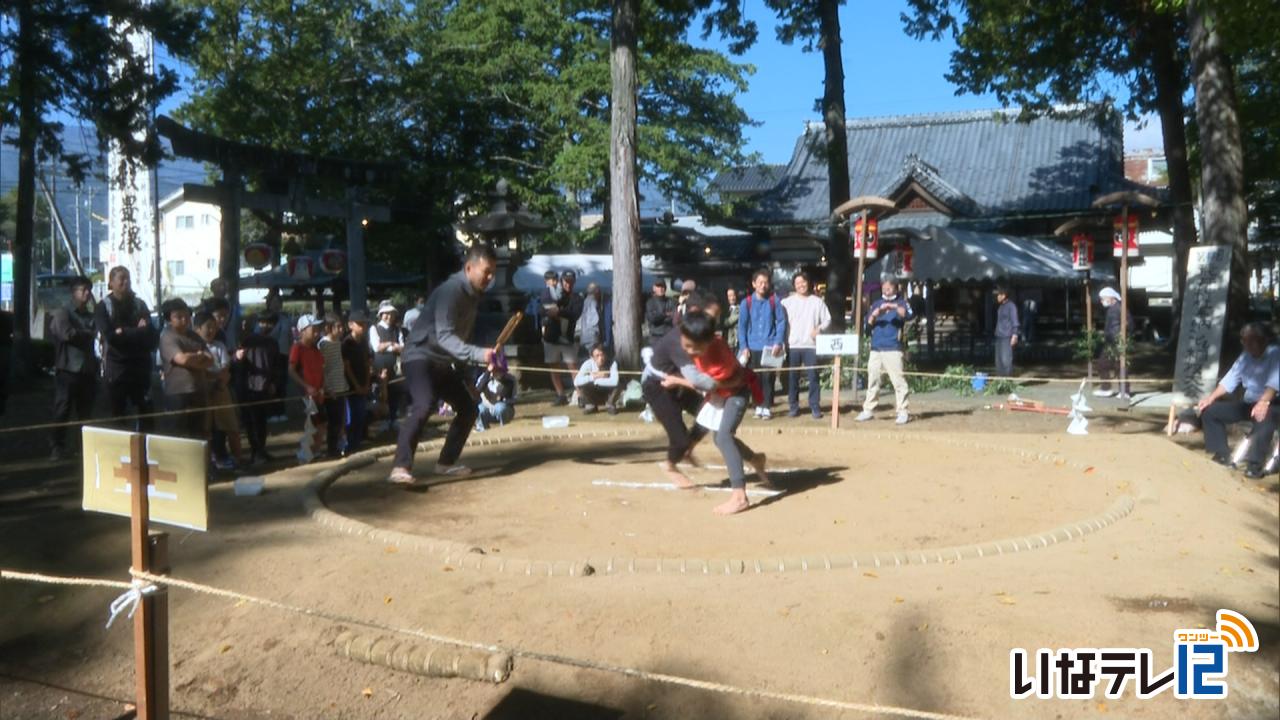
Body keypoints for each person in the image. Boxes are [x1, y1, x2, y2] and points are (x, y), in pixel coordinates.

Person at [388, 243, 498, 484]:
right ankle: (400, 466)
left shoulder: (472, 298)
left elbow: (460, 341)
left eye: (493, 273)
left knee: (469, 408)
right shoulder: (452, 290)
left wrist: (467, 379)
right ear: (470, 268)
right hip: (418, 355)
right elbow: (446, 335)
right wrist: (481, 355)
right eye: (486, 272)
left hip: (442, 362)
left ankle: (446, 462)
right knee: (424, 403)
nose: (490, 278)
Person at [664, 310, 768, 515]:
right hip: (721, 391)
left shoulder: (719, 357)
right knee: (713, 432)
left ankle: (740, 497)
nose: (689, 351)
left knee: (723, 436)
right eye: (686, 345)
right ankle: (755, 459)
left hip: (735, 392)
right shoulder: (692, 340)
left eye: (695, 348)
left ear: (708, 341)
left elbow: (707, 384)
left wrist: (675, 380)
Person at [641, 289, 721, 487]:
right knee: (680, 439)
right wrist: (719, 381)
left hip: (676, 383)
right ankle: (669, 464)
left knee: (708, 415)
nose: (713, 323)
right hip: (657, 387)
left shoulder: (699, 335)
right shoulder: (682, 341)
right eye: (710, 317)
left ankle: (686, 452)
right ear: (694, 312)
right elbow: (697, 380)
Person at [1195, 323, 1279, 480]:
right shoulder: (1245, 356)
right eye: (1244, 341)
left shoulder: (1275, 354)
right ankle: (1222, 455)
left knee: (1263, 419)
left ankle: (1254, 465)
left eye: (1251, 341)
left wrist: (1264, 402)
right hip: (1250, 403)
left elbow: (1274, 383)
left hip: (1273, 403)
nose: (1247, 345)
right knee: (1211, 411)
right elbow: (1230, 380)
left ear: (1263, 340)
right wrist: (1211, 398)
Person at [94, 266, 158, 432]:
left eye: (128, 278)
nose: (125, 282)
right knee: (118, 410)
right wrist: (136, 331)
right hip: (117, 367)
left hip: (140, 366)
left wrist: (124, 331)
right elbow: (111, 337)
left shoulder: (139, 304)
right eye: (121, 278)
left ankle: (145, 446)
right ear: (111, 282)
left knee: (145, 407)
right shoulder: (103, 307)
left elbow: (150, 334)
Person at [48, 276, 99, 459]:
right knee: (62, 409)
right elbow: (66, 334)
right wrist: (87, 334)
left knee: (85, 412)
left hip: (87, 369)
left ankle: (83, 447)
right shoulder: (63, 312)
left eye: (88, 290)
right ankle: (57, 445)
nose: (86, 293)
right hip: (67, 368)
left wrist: (85, 334)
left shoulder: (90, 315)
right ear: (73, 292)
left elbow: (94, 333)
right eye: (82, 290)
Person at [856, 279, 914, 425]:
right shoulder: (876, 303)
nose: (886, 290)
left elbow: (908, 315)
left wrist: (892, 306)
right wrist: (874, 315)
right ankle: (868, 409)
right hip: (876, 348)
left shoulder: (901, 302)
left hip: (893, 347)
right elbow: (868, 328)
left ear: (895, 288)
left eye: (889, 288)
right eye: (884, 288)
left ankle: (903, 411)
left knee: (898, 380)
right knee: (873, 379)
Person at [158, 299, 213, 440]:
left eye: (187, 316)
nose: (184, 320)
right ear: (169, 319)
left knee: (199, 432)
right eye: (179, 317)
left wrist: (192, 359)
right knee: (178, 434)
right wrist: (198, 356)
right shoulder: (167, 337)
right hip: (177, 393)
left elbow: (210, 359)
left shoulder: (194, 336)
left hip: (199, 389)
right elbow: (182, 359)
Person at [194, 310, 244, 467]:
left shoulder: (219, 345)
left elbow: (225, 368)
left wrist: (218, 379)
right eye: (208, 327)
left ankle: (238, 460)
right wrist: (213, 376)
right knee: (206, 431)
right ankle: (207, 465)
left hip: (222, 391)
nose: (211, 330)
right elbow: (200, 371)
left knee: (232, 428)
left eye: (214, 327)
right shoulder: (193, 348)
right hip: (203, 394)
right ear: (197, 329)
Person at [780, 271, 831, 419]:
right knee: (792, 377)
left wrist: (819, 329)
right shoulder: (787, 302)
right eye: (797, 283)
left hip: (811, 345)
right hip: (793, 345)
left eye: (803, 282)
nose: (801, 285)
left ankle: (815, 406)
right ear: (794, 286)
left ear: (808, 283)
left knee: (813, 377)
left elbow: (827, 320)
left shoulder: (817, 301)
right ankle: (793, 407)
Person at [738, 268, 787, 419]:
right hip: (752, 346)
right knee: (754, 378)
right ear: (754, 284)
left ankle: (767, 406)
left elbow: (781, 322)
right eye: (760, 282)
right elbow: (742, 326)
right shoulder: (746, 302)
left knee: (768, 377)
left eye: (766, 283)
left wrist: (778, 342)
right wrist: (744, 347)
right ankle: (757, 405)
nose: (763, 285)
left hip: (770, 345)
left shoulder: (774, 300)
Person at [241, 312, 281, 464]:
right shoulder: (248, 341)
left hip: (263, 386)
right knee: (253, 422)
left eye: (270, 323)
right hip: (251, 386)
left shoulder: (271, 342)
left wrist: (273, 383)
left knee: (261, 421)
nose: (267, 326)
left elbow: (276, 366)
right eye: (264, 322)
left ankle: (261, 450)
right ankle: (255, 451)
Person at [540, 270, 583, 406]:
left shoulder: (577, 298)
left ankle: (581, 395)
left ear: (574, 282)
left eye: (570, 282)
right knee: (554, 367)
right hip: (551, 337)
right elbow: (541, 309)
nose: (568, 284)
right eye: (565, 281)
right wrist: (549, 312)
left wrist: (559, 312)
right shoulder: (553, 294)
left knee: (573, 367)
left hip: (567, 338)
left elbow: (574, 314)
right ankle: (560, 395)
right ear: (561, 281)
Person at [289, 314, 328, 461]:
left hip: (318, 393)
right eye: (314, 329)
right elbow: (291, 370)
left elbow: (321, 370)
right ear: (303, 330)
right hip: (306, 395)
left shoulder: (316, 350)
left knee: (322, 424)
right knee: (309, 426)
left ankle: (315, 451)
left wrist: (323, 387)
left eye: (318, 329)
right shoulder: (297, 348)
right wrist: (306, 387)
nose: (317, 332)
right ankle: (305, 453)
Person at [318, 313, 350, 458]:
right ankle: (331, 449)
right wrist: (327, 388)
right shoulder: (323, 344)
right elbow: (322, 369)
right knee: (333, 421)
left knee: (341, 419)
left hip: (341, 386)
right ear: (328, 328)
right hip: (331, 389)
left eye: (342, 326)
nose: (341, 329)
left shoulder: (338, 343)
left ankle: (338, 446)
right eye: (338, 327)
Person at [370, 301, 405, 431]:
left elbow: (402, 347)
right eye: (386, 314)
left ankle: (393, 418)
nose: (389, 316)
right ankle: (384, 420)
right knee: (381, 393)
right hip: (381, 366)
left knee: (395, 391)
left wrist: (388, 346)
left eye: (391, 314)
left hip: (395, 366)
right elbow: (377, 347)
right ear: (381, 314)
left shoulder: (397, 329)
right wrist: (392, 344)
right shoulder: (375, 328)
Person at [1093, 287, 1133, 398]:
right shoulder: (1111, 309)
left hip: (1118, 342)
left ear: (1111, 298)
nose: (1102, 301)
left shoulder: (1120, 308)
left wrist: (1122, 336)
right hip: (1110, 342)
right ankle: (1106, 389)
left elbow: (1129, 324)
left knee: (1120, 366)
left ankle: (1125, 392)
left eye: (1103, 298)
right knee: (1102, 364)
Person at [343, 310, 374, 454]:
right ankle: (350, 444)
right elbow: (347, 367)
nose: (363, 327)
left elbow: (368, 364)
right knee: (351, 417)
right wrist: (356, 385)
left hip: (363, 383)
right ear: (351, 325)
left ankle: (357, 442)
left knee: (361, 415)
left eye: (365, 324)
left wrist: (367, 383)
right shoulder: (347, 343)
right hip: (350, 387)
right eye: (360, 324)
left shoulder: (364, 342)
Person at [264, 293, 292, 423]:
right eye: (273, 302)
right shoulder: (265, 318)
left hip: (284, 354)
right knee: (271, 383)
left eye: (277, 302)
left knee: (282, 383)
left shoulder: (286, 318)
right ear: (268, 303)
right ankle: (271, 412)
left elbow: (290, 336)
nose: (275, 304)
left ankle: (281, 410)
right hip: (269, 354)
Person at [574, 344, 622, 414]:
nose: (600, 358)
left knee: (620, 384)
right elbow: (576, 381)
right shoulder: (587, 364)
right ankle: (591, 405)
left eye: (602, 355)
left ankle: (610, 405)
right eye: (597, 356)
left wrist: (597, 380)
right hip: (594, 391)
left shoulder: (612, 363)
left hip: (608, 392)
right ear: (592, 357)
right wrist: (594, 377)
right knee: (581, 385)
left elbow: (615, 381)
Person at [475, 356, 516, 431]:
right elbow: (478, 390)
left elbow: (504, 395)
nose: (497, 371)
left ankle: (505, 429)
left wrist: (501, 377)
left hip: (505, 410)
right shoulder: (484, 377)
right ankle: (482, 430)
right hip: (487, 409)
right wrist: (488, 373)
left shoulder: (510, 380)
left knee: (500, 407)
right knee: (479, 409)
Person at [578, 282, 612, 356]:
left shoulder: (586, 301)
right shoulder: (592, 302)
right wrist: (597, 335)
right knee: (595, 358)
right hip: (592, 336)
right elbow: (595, 320)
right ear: (597, 292)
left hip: (585, 336)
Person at [993, 286, 1019, 378]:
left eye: (998, 295)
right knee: (998, 360)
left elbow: (1015, 321)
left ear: (1004, 295)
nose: (997, 297)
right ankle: (1000, 381)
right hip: (999, 336)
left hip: (1007, 336)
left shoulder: (1011, 306)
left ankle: (1007, 381)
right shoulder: (1000, 307)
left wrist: (1014, 335)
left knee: (1006, 360)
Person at [721, 287, 740, 353]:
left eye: (733, 295)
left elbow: (727, 322)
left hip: (737, 342)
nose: (732, 298)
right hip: (727, 342)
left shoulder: (740, 309)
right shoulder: (724, 310)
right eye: (729, 296)